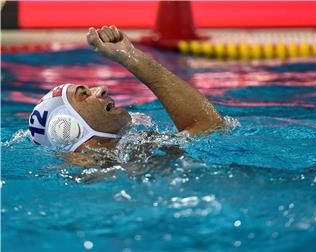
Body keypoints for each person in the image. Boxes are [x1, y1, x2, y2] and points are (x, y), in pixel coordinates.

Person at [29, 25, 224, 166]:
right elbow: (210, 127)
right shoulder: (135, 154)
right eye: (84, 94)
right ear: (67, 128)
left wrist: (127, 53)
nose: (102, 89)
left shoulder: (125, 152)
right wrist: (131, 59)